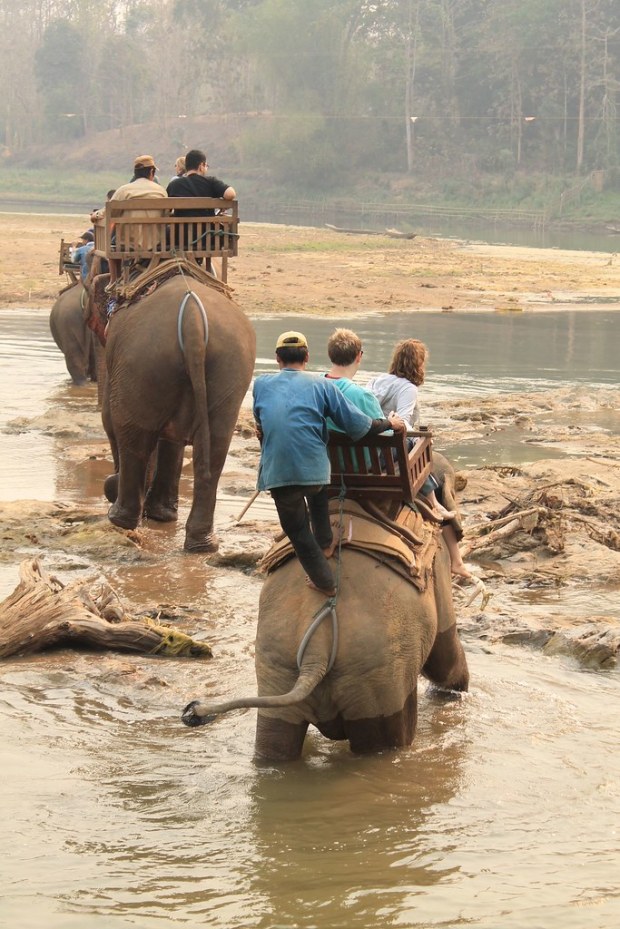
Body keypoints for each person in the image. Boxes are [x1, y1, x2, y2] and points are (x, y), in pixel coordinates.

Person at [253, 331, 405, 597]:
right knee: (317, 494)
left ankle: (323, 566)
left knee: (297, 530)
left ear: (277, 359)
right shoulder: (322, 386)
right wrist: (389, 423)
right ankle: (326, 558)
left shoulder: (261, 385)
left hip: (279, 472)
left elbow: (261, 424)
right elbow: (359, 425)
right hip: (317, 473)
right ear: (308, 358)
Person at [367, 337, 472, 578]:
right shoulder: (408, 388)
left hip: (367, 453)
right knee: (433, 471)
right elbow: (402, 423)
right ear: (417, 365)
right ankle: (456, 559)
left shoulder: (378, 381)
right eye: (423, 363)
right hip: (391, 453)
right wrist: (423, 441)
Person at [167, 148, 236, 272]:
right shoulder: (210, 182)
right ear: (201, 166)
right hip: (206, 238)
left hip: (179, 238)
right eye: (206, 165)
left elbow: (166, 210)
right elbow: (231, 194)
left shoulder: (174, 185)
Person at [105, 155, 167, 287]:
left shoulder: (124, 190)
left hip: (128, 243)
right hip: (155, 242)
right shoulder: (161, 191)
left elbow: (110, 213)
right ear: (151, 172)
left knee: (112, 241)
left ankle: (114, 280)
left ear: (135, 173)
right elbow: (166, 215)